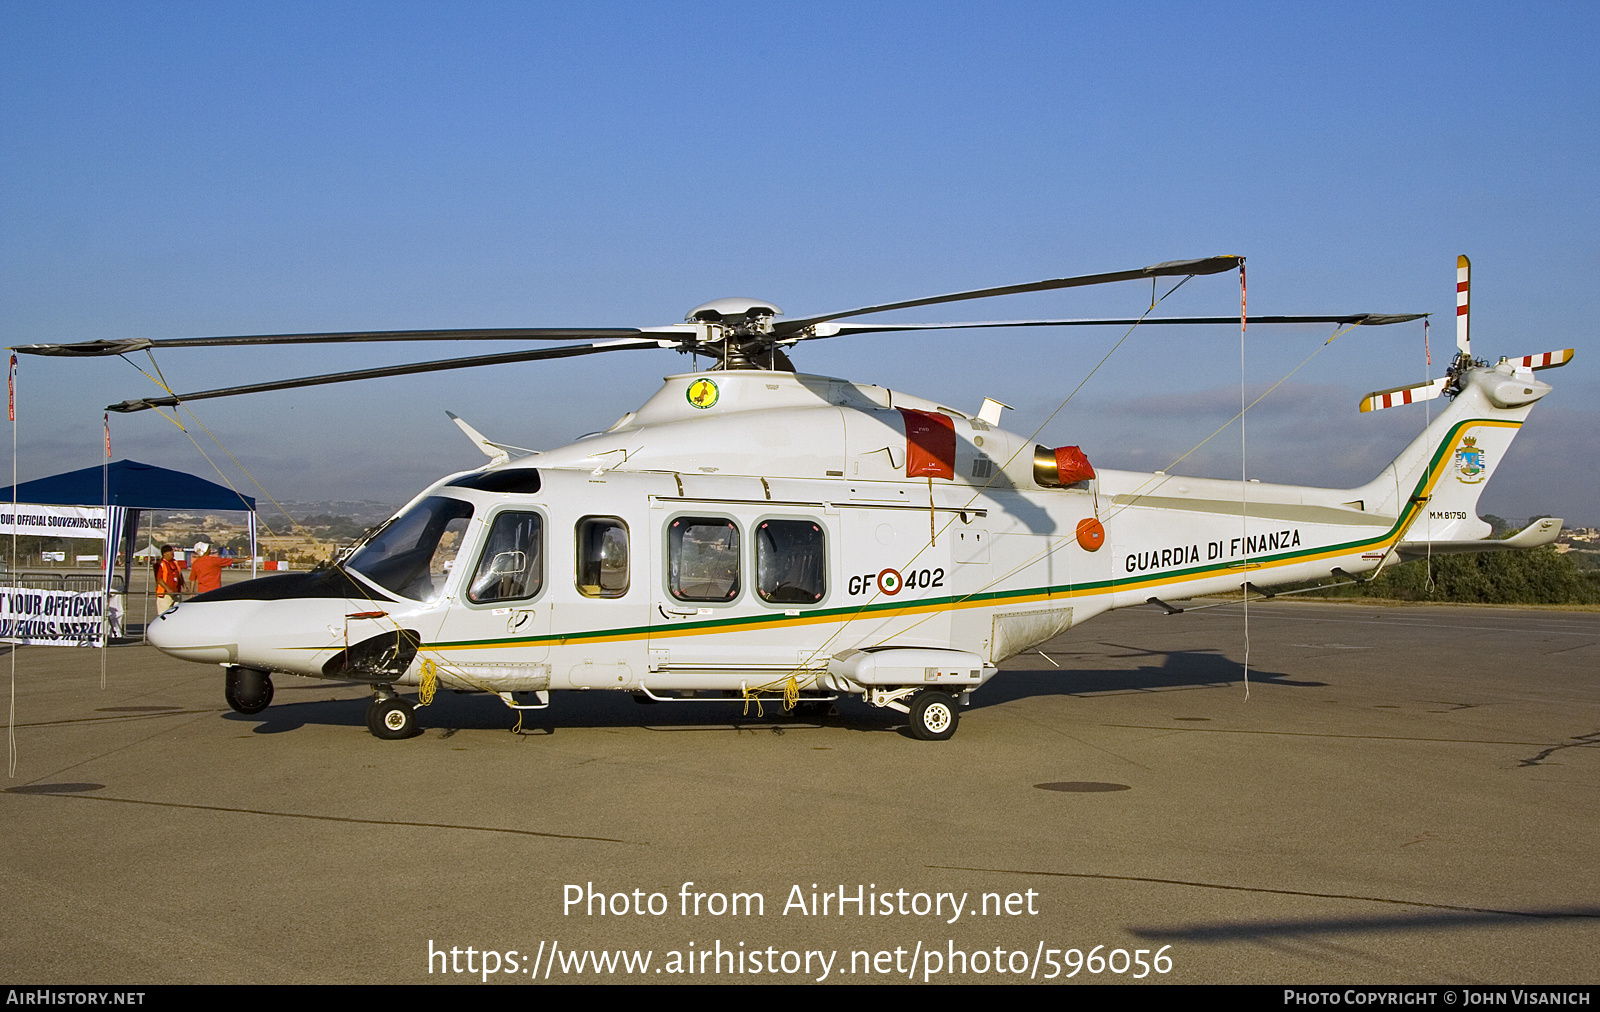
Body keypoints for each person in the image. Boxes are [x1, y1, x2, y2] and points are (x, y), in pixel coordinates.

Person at [153, 544, 184, 613]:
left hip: (176, 592)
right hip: (165, 594)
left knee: (177, 612)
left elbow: (180, 574)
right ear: (165, 553)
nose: (172, 553)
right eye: (170, 551)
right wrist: (168, 589)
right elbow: (159, 579)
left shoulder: (175, 562)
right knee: (164, 612)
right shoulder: (160, 564)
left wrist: (184, 585)